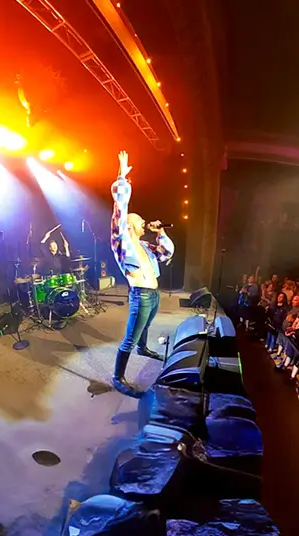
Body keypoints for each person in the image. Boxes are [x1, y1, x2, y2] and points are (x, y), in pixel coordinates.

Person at [110, 150, 175, 398]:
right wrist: (121, 174)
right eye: (140, 221)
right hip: (140, 294)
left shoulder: (146, 247)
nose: (143, 223)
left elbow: (168, 253)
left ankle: (144, 348)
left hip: (154, 294)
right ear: (128, 225)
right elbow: (120, 206)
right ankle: (118, 377)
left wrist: (161, 233)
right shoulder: (121, 241)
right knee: (129, 337)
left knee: (146, 325)